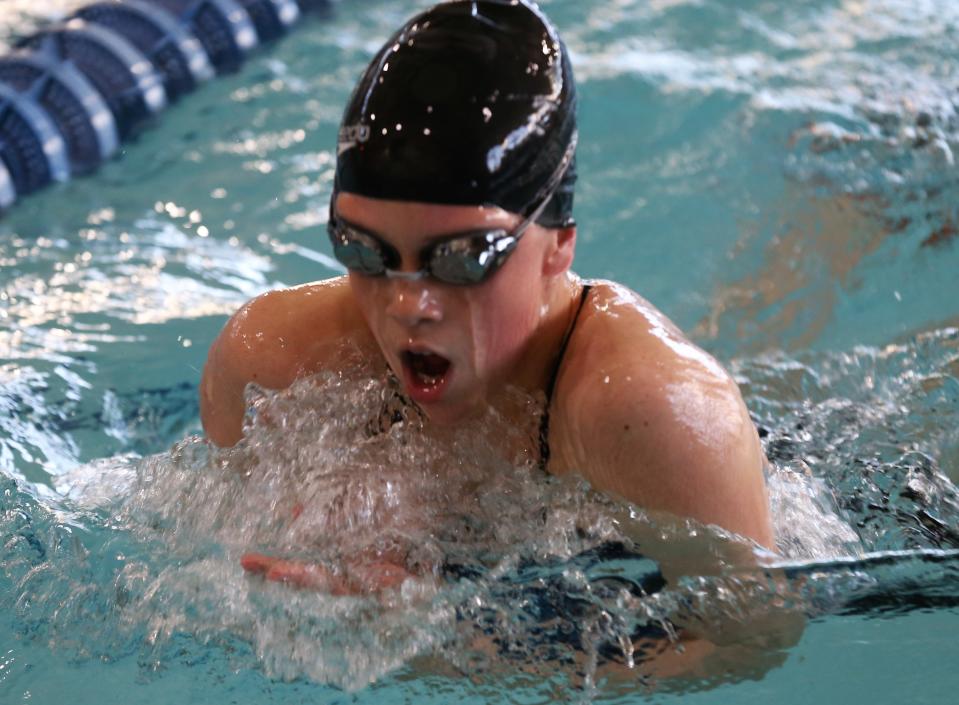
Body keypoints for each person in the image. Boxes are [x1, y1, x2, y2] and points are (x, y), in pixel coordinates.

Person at [199, 0, 774, 591]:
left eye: (460, 259)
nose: (407, 305)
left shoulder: (657, 417)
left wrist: (433, 638)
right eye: (364, 252)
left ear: (560, 245)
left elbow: (751, 641)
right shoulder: (272, 365)